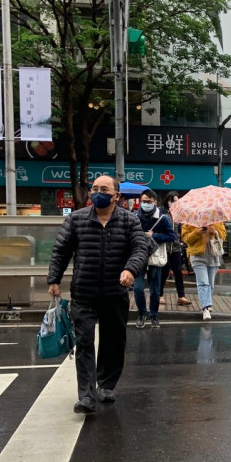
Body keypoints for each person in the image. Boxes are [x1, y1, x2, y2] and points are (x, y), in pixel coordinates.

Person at [47, 175, 148, 413]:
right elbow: (61, 251)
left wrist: (130, 270)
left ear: (116, 196)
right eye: (94, 189)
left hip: (115, 292)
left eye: (104, 189)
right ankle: (86, 396)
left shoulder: (129, 221)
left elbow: (140, 249)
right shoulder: (76, 219)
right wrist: (54, 279)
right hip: (84, 292)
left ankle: (106, 385)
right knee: (83, 342)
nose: (97, 193)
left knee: (113, 342)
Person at [133, 190, 175, 329]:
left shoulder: (162, 218)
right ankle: (141, 313)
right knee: (138, 288)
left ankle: (154, 316)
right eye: (143, 201)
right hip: (138, 256)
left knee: (155, 290)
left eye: (148, 202)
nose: (145, 204)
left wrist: (154, 235)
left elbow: (171, 236)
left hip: (155, 256)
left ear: (155, 202)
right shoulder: (134, 217)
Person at [182, 219, 226, 321]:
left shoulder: (217, 219)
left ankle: (207, 302)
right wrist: (197, 232)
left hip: (213, 255)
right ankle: (205, 307)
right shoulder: (190, 220)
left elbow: (223, 236)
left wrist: (215, 232)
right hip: (197, 256)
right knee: (203, 283)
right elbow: (186, 239)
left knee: (210, 283)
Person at [160, 192, 191, 308]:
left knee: (178, 272)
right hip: (165, 247)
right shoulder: (162, 214)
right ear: (167, 201)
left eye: (177, 201)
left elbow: (181, 231)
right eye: (173, 201)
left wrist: (182, 241)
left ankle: (181, 296)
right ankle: (160, 295)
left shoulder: (179, 215)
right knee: (164, 272)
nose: (175, 203)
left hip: (177, 248)